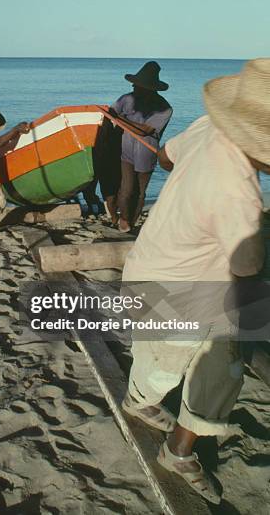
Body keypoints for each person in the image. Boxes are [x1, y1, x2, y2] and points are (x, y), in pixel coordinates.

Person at [121, 58, 270, 504]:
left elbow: (165, 157)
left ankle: (139, 400)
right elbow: (247, 278)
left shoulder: (208, 126)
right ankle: (179, 452)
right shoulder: (238, 195)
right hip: (177, 298)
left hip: (145, 270)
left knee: (155, 357)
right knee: (223, 359)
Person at [110, 61, 172, 232]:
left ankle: (133, 221)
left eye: (138, 86)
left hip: (146, 152)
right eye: (134, 85)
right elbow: (110, 114)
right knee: (127, 188)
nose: (134, 87)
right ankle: (123, 219)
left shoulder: (164, 108)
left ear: (150, 88)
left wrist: (120, 118)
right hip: (126, 150)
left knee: (140, 191)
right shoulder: (126, 98)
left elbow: (145, 130)